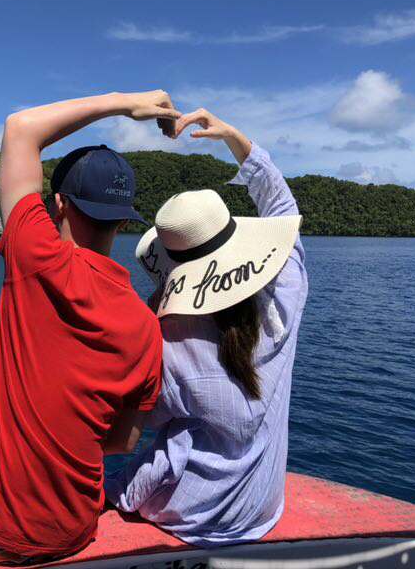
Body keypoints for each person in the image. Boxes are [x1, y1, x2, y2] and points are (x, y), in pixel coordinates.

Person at [0, 91, 181, 564]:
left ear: (58, 204)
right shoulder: (147, 326)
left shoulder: (34, 256)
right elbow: (123, 442)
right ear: (124, 223)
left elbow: (21, 128)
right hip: (70, 533)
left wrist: (127, 104)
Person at [105, 108, 308, 547]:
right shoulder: (285, 297)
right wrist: (236, 138)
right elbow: (283, 210)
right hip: (263, 507)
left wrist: (155, 309)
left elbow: (128, 429)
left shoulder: (165, 342)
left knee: (108, 485)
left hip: (190, 514)